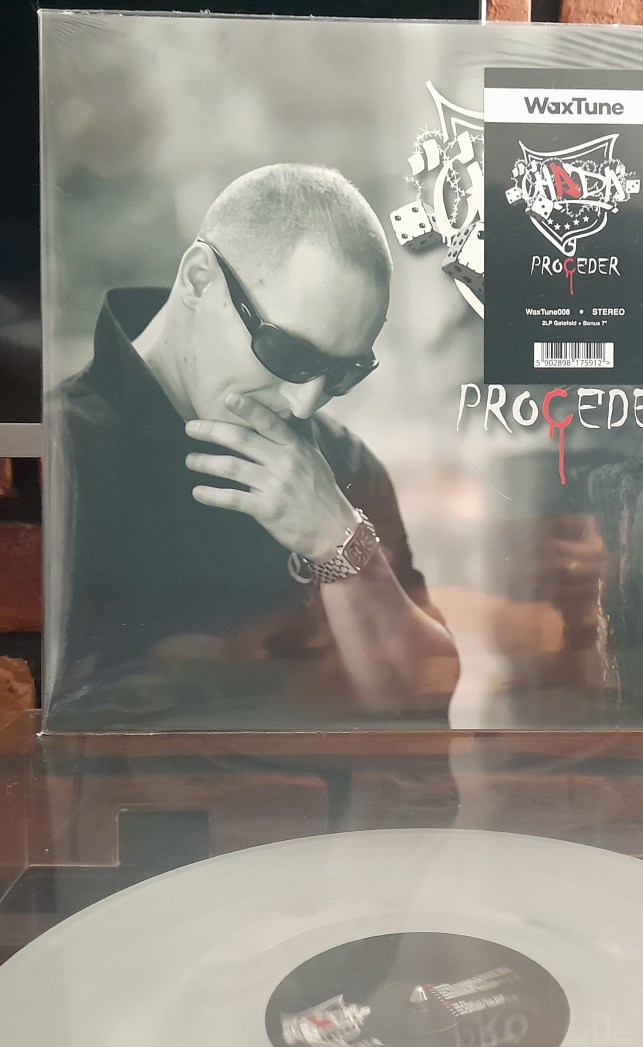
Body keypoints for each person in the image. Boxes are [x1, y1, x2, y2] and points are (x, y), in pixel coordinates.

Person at [50, 163, 459, 728]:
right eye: (289, 355)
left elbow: (424, 710)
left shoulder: (339, 463)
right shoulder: (63, 454)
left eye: (343, 373)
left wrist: (340, 543)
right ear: (199, 280)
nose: (305, 403)